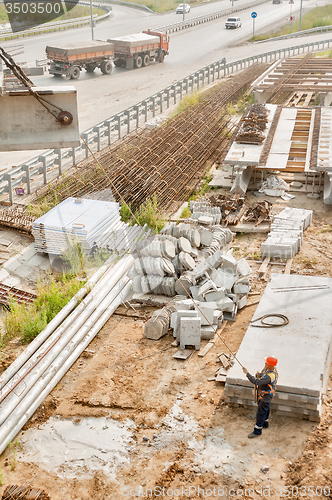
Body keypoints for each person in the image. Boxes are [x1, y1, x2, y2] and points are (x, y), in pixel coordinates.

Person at [242, 356, 278, 438]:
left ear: (271, 365)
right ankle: (265, 424)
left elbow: (257, 382)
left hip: (265, 397)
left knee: (260, 413)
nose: (265, 363)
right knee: (266, 410)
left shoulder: (270, 376)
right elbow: (263, 376)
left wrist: (247, 374)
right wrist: (260, 374)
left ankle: (257, 431)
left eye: (267, 363)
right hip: (267, 396)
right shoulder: (268, 370)